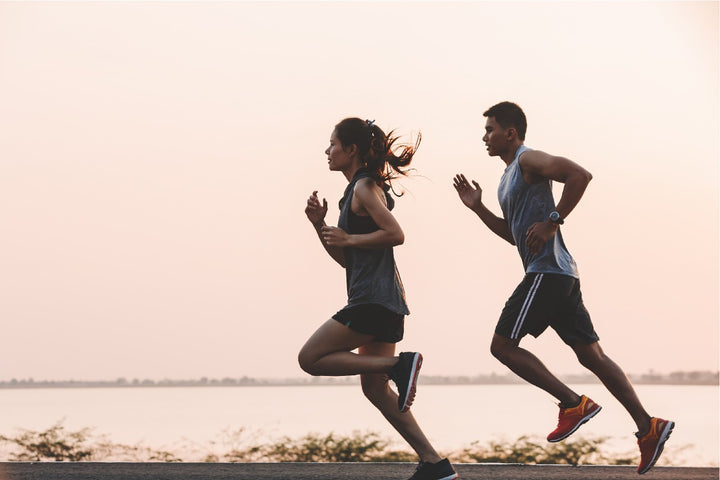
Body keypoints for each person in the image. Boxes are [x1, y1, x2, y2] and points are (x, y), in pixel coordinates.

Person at [452, 101, 674, 475]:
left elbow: (580, 175)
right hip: (560, 274)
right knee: (593, 357)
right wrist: (478, 209)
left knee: (502, 346)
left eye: (490, 129)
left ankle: (573, 403)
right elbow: (516, 236)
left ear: (510, 132)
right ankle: (648, 427)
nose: (484, 136)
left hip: (547, 273)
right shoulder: (508, 176)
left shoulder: (528, 160)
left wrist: (554, 220)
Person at [299, 117, 457, 480]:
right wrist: (320, 227)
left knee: (310, 358)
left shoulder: (364, 188)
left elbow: (395, 234)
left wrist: (350, 239)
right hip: (382, 301)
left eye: (332, 143)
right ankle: (435, 464)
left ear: (351, 149)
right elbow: (347, 260)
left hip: (372, 302)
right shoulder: (353, 192)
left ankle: (399, 365)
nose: (327, 150)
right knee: (375, 390)